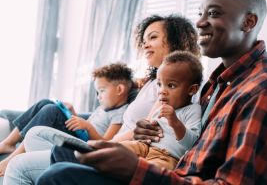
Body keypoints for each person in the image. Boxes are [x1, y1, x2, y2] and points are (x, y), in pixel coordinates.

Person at [36, 0, 267, 184]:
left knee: (60, 175)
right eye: (200, 13)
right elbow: (190, 141)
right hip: (172, 171)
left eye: (213, 13)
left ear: (248, 21)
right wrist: (145, 137)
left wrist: (137, 169)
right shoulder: (219, 82)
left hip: (173, 176)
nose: (199, 22)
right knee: (64, 154)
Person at [3, 14, 200, 184]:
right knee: (35, 133)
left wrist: (105, 144)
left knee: (20, 165)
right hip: (121, 146)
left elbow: (155, 131)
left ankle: (11, 160)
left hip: (126, 150)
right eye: (144, 39)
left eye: (153, 37)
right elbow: (137, 114)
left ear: (176, 41)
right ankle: (21, 152)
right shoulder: (151, 83)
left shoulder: (180, 94)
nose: (145, 44)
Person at [0, 62, 134, 176]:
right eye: (97, 92)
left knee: (51, 111)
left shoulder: (120, 113)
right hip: (80, 135)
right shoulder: (104, 108)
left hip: (83, 143)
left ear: (120, 89)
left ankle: (14, 157)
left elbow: (106, 142)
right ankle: (8, 143)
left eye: (102, 90)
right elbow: (87, 124)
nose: (98, 96)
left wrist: (88, 127)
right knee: (45, 103)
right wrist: (73, 113)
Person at [121, 51, 202, 170]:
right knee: (117, 149)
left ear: (192, 90)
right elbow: (148, 130)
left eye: (171, 85)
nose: (161, 91)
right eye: (159, 84)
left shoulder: (192, 109)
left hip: (166, 156)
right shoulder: (160, 107)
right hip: (143, 146)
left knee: (153, 171)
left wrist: (175, 122)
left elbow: (192, 143)